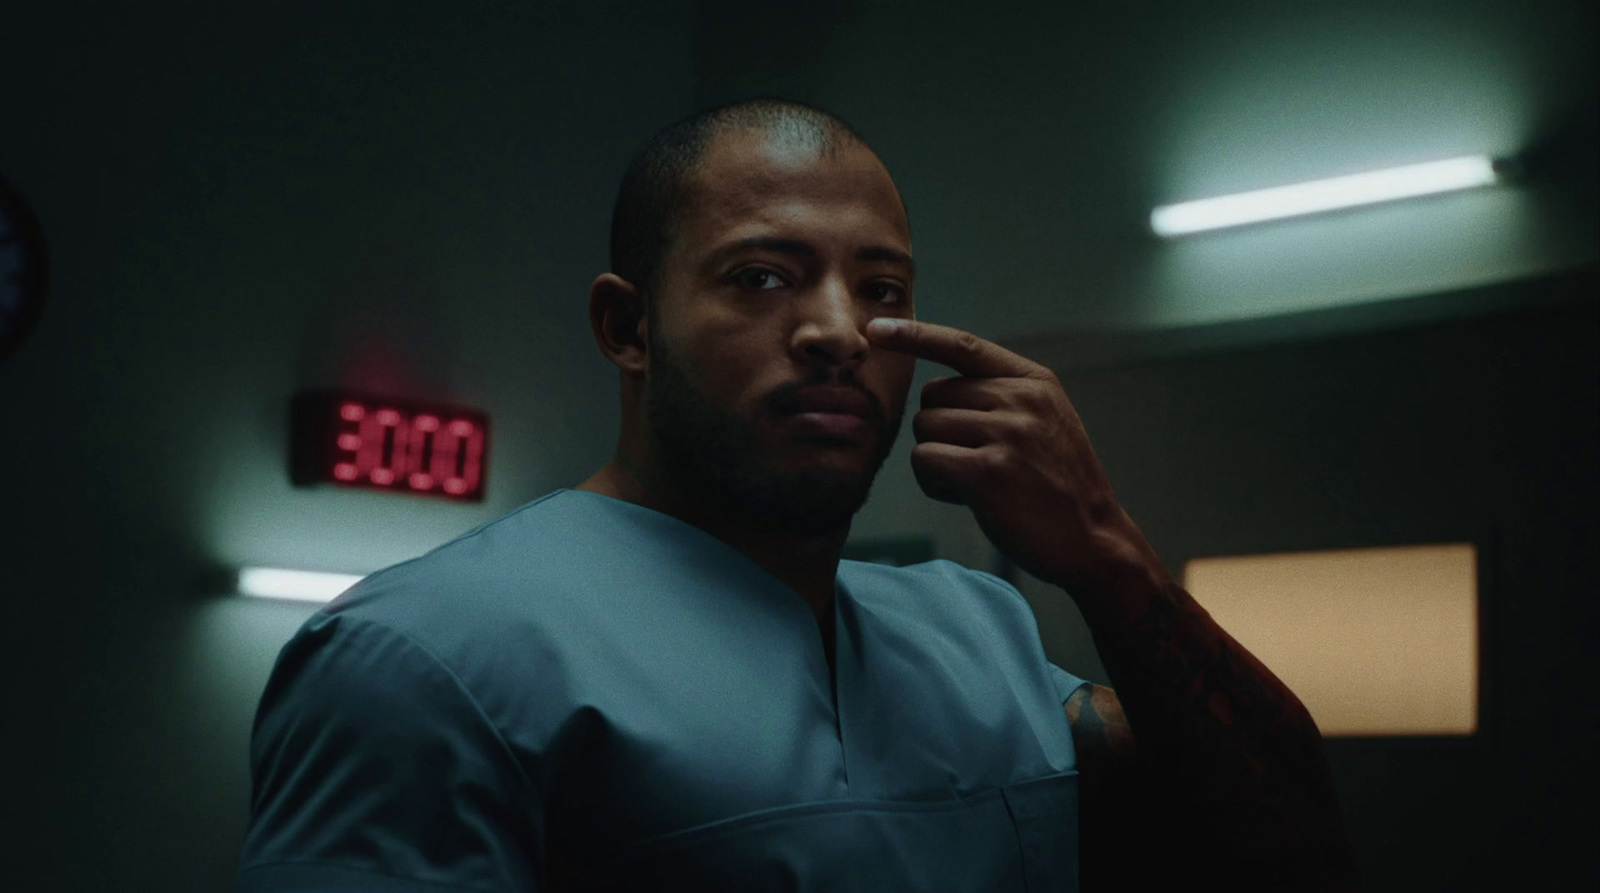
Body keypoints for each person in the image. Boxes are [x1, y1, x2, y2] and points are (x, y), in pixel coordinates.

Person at [235, 98, 1358, 892]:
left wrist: (1109, 557)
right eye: (762, 276)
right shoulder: (425, 656)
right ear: (628, 327)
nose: (835, 330)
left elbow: (1293, 850)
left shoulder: (982, 634)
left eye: (881, 288)